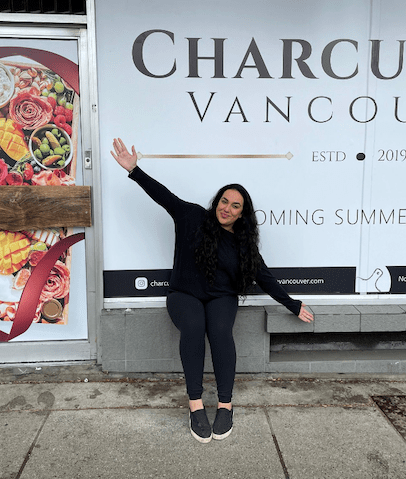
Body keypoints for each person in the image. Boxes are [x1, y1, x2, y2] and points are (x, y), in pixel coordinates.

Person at [110, 138, 314, 443]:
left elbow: (265, 277)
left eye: (235, 206)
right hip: (184, 295)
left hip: (221, 297)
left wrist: (292, 305)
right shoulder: (192, 216)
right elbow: (162, 195)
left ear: (242, 214)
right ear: (216, 201)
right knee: (193, 327)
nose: (227, 208)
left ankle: (225, 405)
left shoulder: (243, 246)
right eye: (224, 201)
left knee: (219, 331)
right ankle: (195, 405)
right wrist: (134, 170)